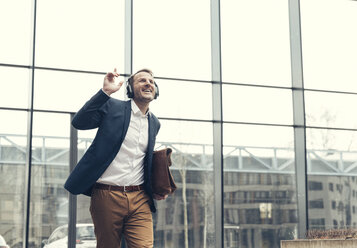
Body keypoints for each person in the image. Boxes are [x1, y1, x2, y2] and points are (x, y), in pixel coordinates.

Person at [64, 68, 167, 248]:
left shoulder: (154, 122)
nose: (148, 83)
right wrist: (105, 93)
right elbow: (79, 122)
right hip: (107, 194)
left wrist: (156, 185)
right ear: (130, 89)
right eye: (142, 81)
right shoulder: (113, 107)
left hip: (139, 196)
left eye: (151, 82)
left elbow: (144, 159)